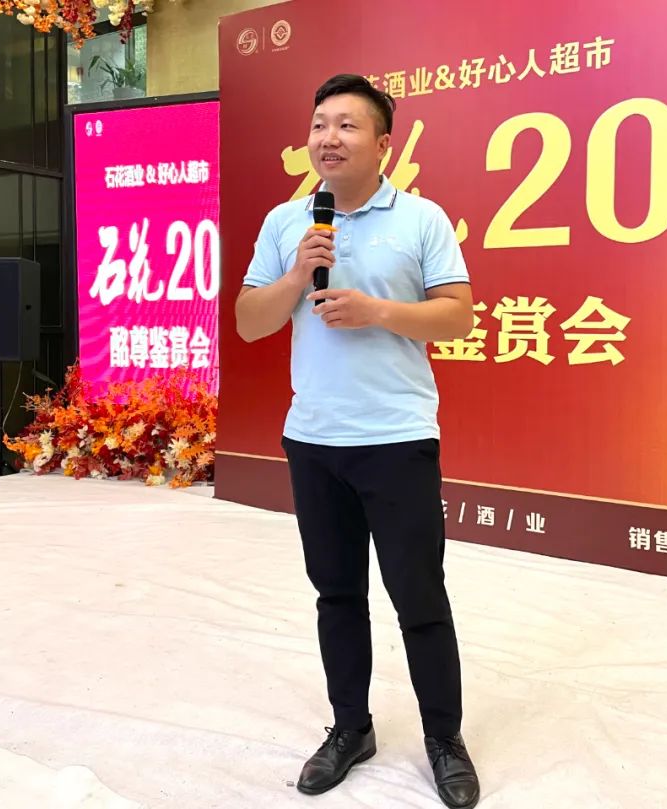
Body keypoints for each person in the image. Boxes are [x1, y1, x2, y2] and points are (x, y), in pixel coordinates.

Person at [235, 73, 480, 809]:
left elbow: (459, 315)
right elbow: (249, 321)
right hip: (314, 440)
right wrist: (296, 274)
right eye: (319, 124)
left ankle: (444, 738)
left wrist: (378, 310)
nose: (328, 138)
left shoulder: (421, 218)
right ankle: (351, 728)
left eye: (346, 125)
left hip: (398, 437)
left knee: (419, 596)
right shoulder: (287, 221)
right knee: (336, 594)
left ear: (383, 143)